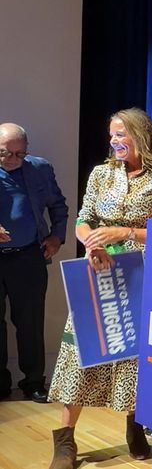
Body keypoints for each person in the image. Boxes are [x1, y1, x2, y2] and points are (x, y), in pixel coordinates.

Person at [47, 108, 152, 469]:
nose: (114, 141)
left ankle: (136, 427)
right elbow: (84, 219)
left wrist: (124, 232)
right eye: (112, 135)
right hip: (98, 268)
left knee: (134, 354)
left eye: (121, 134)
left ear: (141, 136)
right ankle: (65, 440)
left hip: (142, 272)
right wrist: (90, 241)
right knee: (82, 351)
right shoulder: (101, 174)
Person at [0, 123, 68, 403]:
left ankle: (33, 382)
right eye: (5, 153)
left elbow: (58, 206)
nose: (13, 160)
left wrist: (57, 237)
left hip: (28, 255)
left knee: (30, 322)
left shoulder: (40, 168)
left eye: (20, 154)